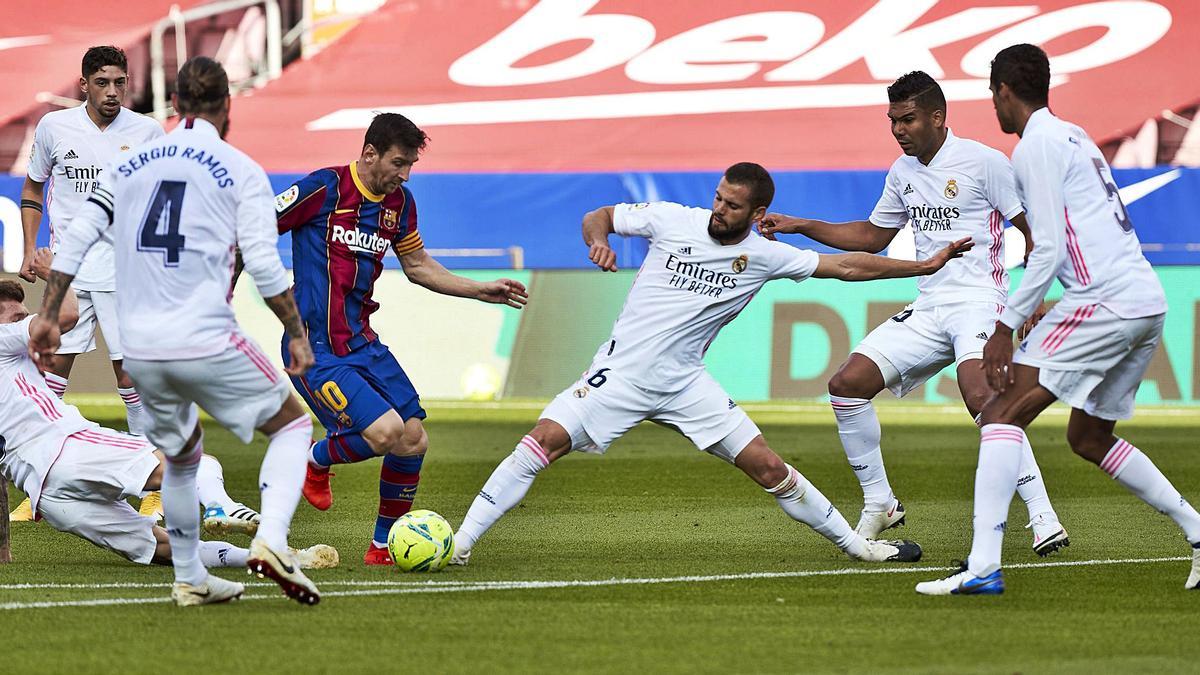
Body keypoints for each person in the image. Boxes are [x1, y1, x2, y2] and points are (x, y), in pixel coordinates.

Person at [453, 162, 975, 566]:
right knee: (542, 440)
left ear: (756, 213)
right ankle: (461, 544)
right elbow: (601, 216)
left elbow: (845, 265)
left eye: (732, 206)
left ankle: (862, 549)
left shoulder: (767, 255)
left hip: (685, 385)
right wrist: (598, 241)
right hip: (621, 376)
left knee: (769, 467)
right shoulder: (671, 219)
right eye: (718, 199)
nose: (719, 210)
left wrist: (923, 265)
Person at [31, 57, 321, 607]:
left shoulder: (133, 161)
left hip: (143, 345)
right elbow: (263, 263)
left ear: (178, 106)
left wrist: (48, 312)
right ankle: (273, 542)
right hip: (206, 332)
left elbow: (80, 234)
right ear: (226, 107)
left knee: (182, 457)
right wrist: (296, 332)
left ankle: (191, 576)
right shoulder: (239, 169)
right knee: (289, 426)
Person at [916, 44, 1200, 595]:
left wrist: (1006, 325)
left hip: (1104, 300)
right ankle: (1198, 531)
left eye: (990, 93)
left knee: (999, 415)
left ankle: (983, 566)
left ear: (1003, 91)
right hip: (1144, 298)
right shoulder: (1074, 135)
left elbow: (1045, 248)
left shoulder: (1034, 147)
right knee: (1089, 435)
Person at [760, 71, 1067, 555]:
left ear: (937, 117)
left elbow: (1036, 231)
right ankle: (880, 502)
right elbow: (871, 237)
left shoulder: (984, 162)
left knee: (981, 398)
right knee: (846, 385)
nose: (898, 130)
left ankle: (1042, 514)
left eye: (907, 119)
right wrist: (801, 224)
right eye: (892, 120)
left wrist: (1028, 300)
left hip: (979, 302)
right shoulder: (902, 173)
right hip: (930, 306)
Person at [275, 112, 528, 565]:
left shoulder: (400, 204)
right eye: (398, 163)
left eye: (411, 164)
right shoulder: (323, 188)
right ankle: (313, 459)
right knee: (385, 432)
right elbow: (251, 232)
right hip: (314, 347)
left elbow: (418, 266)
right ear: (369, 153)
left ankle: (381, 548)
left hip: (362, 342)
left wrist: (479, 290)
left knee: (412, 439)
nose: (405, 174)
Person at [0, 271, 338, 576]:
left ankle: (269, 558)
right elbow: (68, 315)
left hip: (46, 494)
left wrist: (3, 550)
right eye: (15, 317)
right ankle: (222, 505)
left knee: (163, 547)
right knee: (193, 463)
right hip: (65, 448)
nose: (24, 321)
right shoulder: (4, 341)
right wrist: (55, 272)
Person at [9, 46, 164, 524]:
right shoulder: (56, 128)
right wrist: (30, 248)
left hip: (125, 271)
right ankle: (39, 484)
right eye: (103, 83)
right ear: (84, 85)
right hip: (68, 270)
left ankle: (149, 492)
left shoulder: (148, 132)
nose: (113, 92)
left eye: (120, 82)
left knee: (130, 377)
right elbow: (34, 188)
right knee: (49, 372)